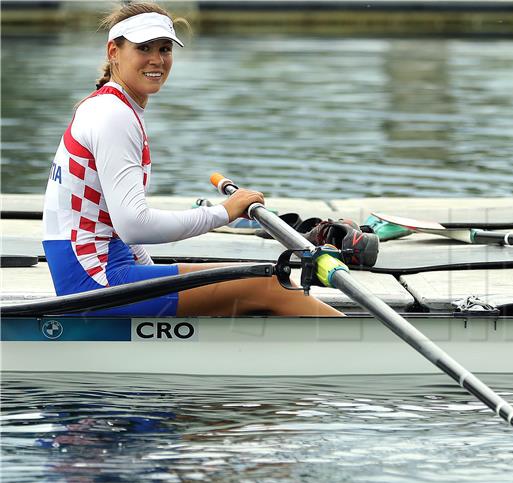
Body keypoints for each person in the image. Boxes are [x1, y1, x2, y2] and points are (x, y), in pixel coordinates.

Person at [42, 1, 341, 317]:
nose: (157, 60)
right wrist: (224, 212)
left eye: (165, 49)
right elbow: (133, 225)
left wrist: (152, 274)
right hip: (95, 281)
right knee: (268, 283)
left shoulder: (106, 106)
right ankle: (371, 354)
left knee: (246, 286)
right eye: (144, 48)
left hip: (92, 268)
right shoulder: (114, 116)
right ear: (113, 52)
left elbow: (115, 227)